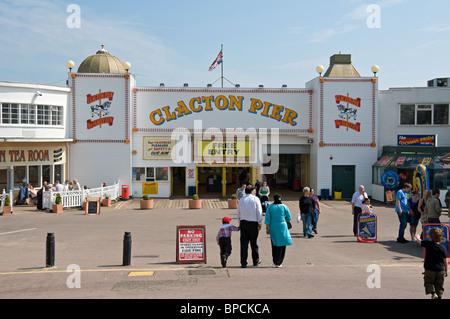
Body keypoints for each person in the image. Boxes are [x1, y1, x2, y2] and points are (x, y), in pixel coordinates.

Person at [416, 228, 448, 299]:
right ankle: (439, 296)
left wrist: (417, 237)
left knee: (428, 282)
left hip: (429, 269)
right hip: (440, 270)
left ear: (430, 236)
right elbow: (445, 260)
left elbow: (419, 241)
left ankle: (433, 293)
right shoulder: (442, 248)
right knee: (439, 285)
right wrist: (446, 270)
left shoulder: (428, 244)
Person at [236, 185, 263, 268]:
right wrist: (260, 222)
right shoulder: (255, 199)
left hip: (243, 223)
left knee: (244, 244)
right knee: (253, 243)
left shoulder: (241, 200)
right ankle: (255, 261)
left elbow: (238, 213)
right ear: (252, 191)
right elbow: (259, 211)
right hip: (253, 223)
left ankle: (243, 262)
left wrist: (240, 222)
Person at [264, 194, 292, 267]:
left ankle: (275, 261)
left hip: (273, 226)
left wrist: (267, 228)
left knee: (274, 243)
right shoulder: (284, 206)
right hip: (282, 226)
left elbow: (267, 219)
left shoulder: (270, 207)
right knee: (282, 243)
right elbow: (289, 217)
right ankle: (280, 262)